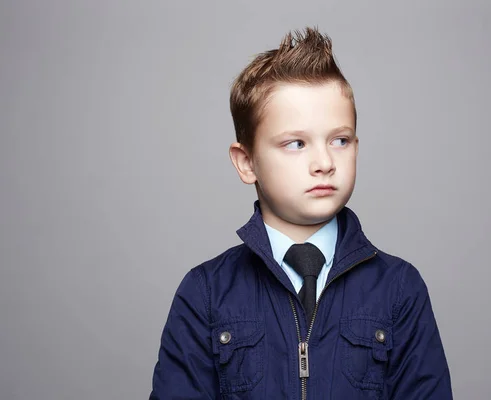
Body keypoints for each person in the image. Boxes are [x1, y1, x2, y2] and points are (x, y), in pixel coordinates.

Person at [150, 27, 452, 399]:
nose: (324, 162)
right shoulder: (207, 293)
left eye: (339, 140)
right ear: (246, 163)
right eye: (296, 144)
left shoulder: (399, 289)